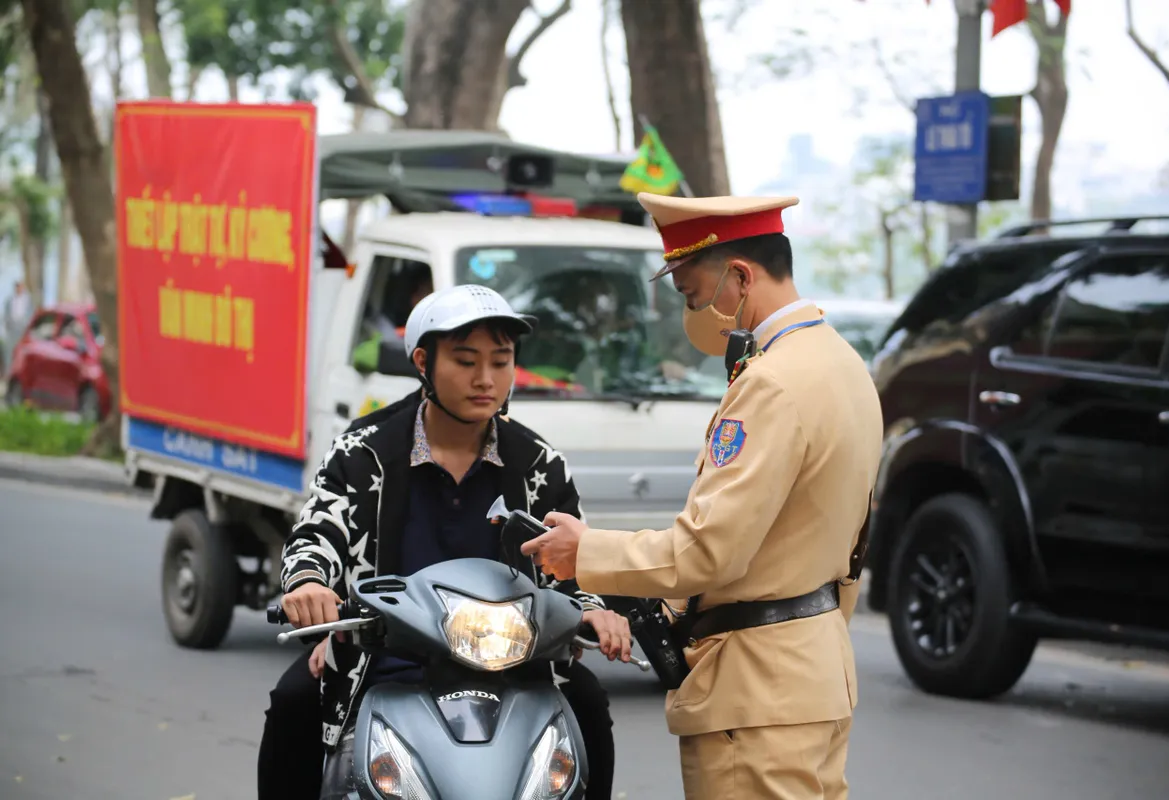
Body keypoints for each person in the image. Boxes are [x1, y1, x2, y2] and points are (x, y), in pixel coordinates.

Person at [520, 193, 884, 799]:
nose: (696, 312)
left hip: (757, 691)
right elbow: (849, 542)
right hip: (815, 671)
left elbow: (707, 553)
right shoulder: (842, 363)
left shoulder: (770, 383)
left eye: (694, 294)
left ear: (739, 278)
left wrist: (584, 550)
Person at [258, 284, 632, 800]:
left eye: (501, 362)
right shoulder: (363, 452)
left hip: (513, 663)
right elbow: (318, 531)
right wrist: (308, 584)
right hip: (382, 658)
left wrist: (594, 609)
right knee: (294, 700)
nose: (486, 379)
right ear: (422, 362)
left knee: (588, 704)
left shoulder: (539, 464)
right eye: (465, 360)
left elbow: (572, 559)